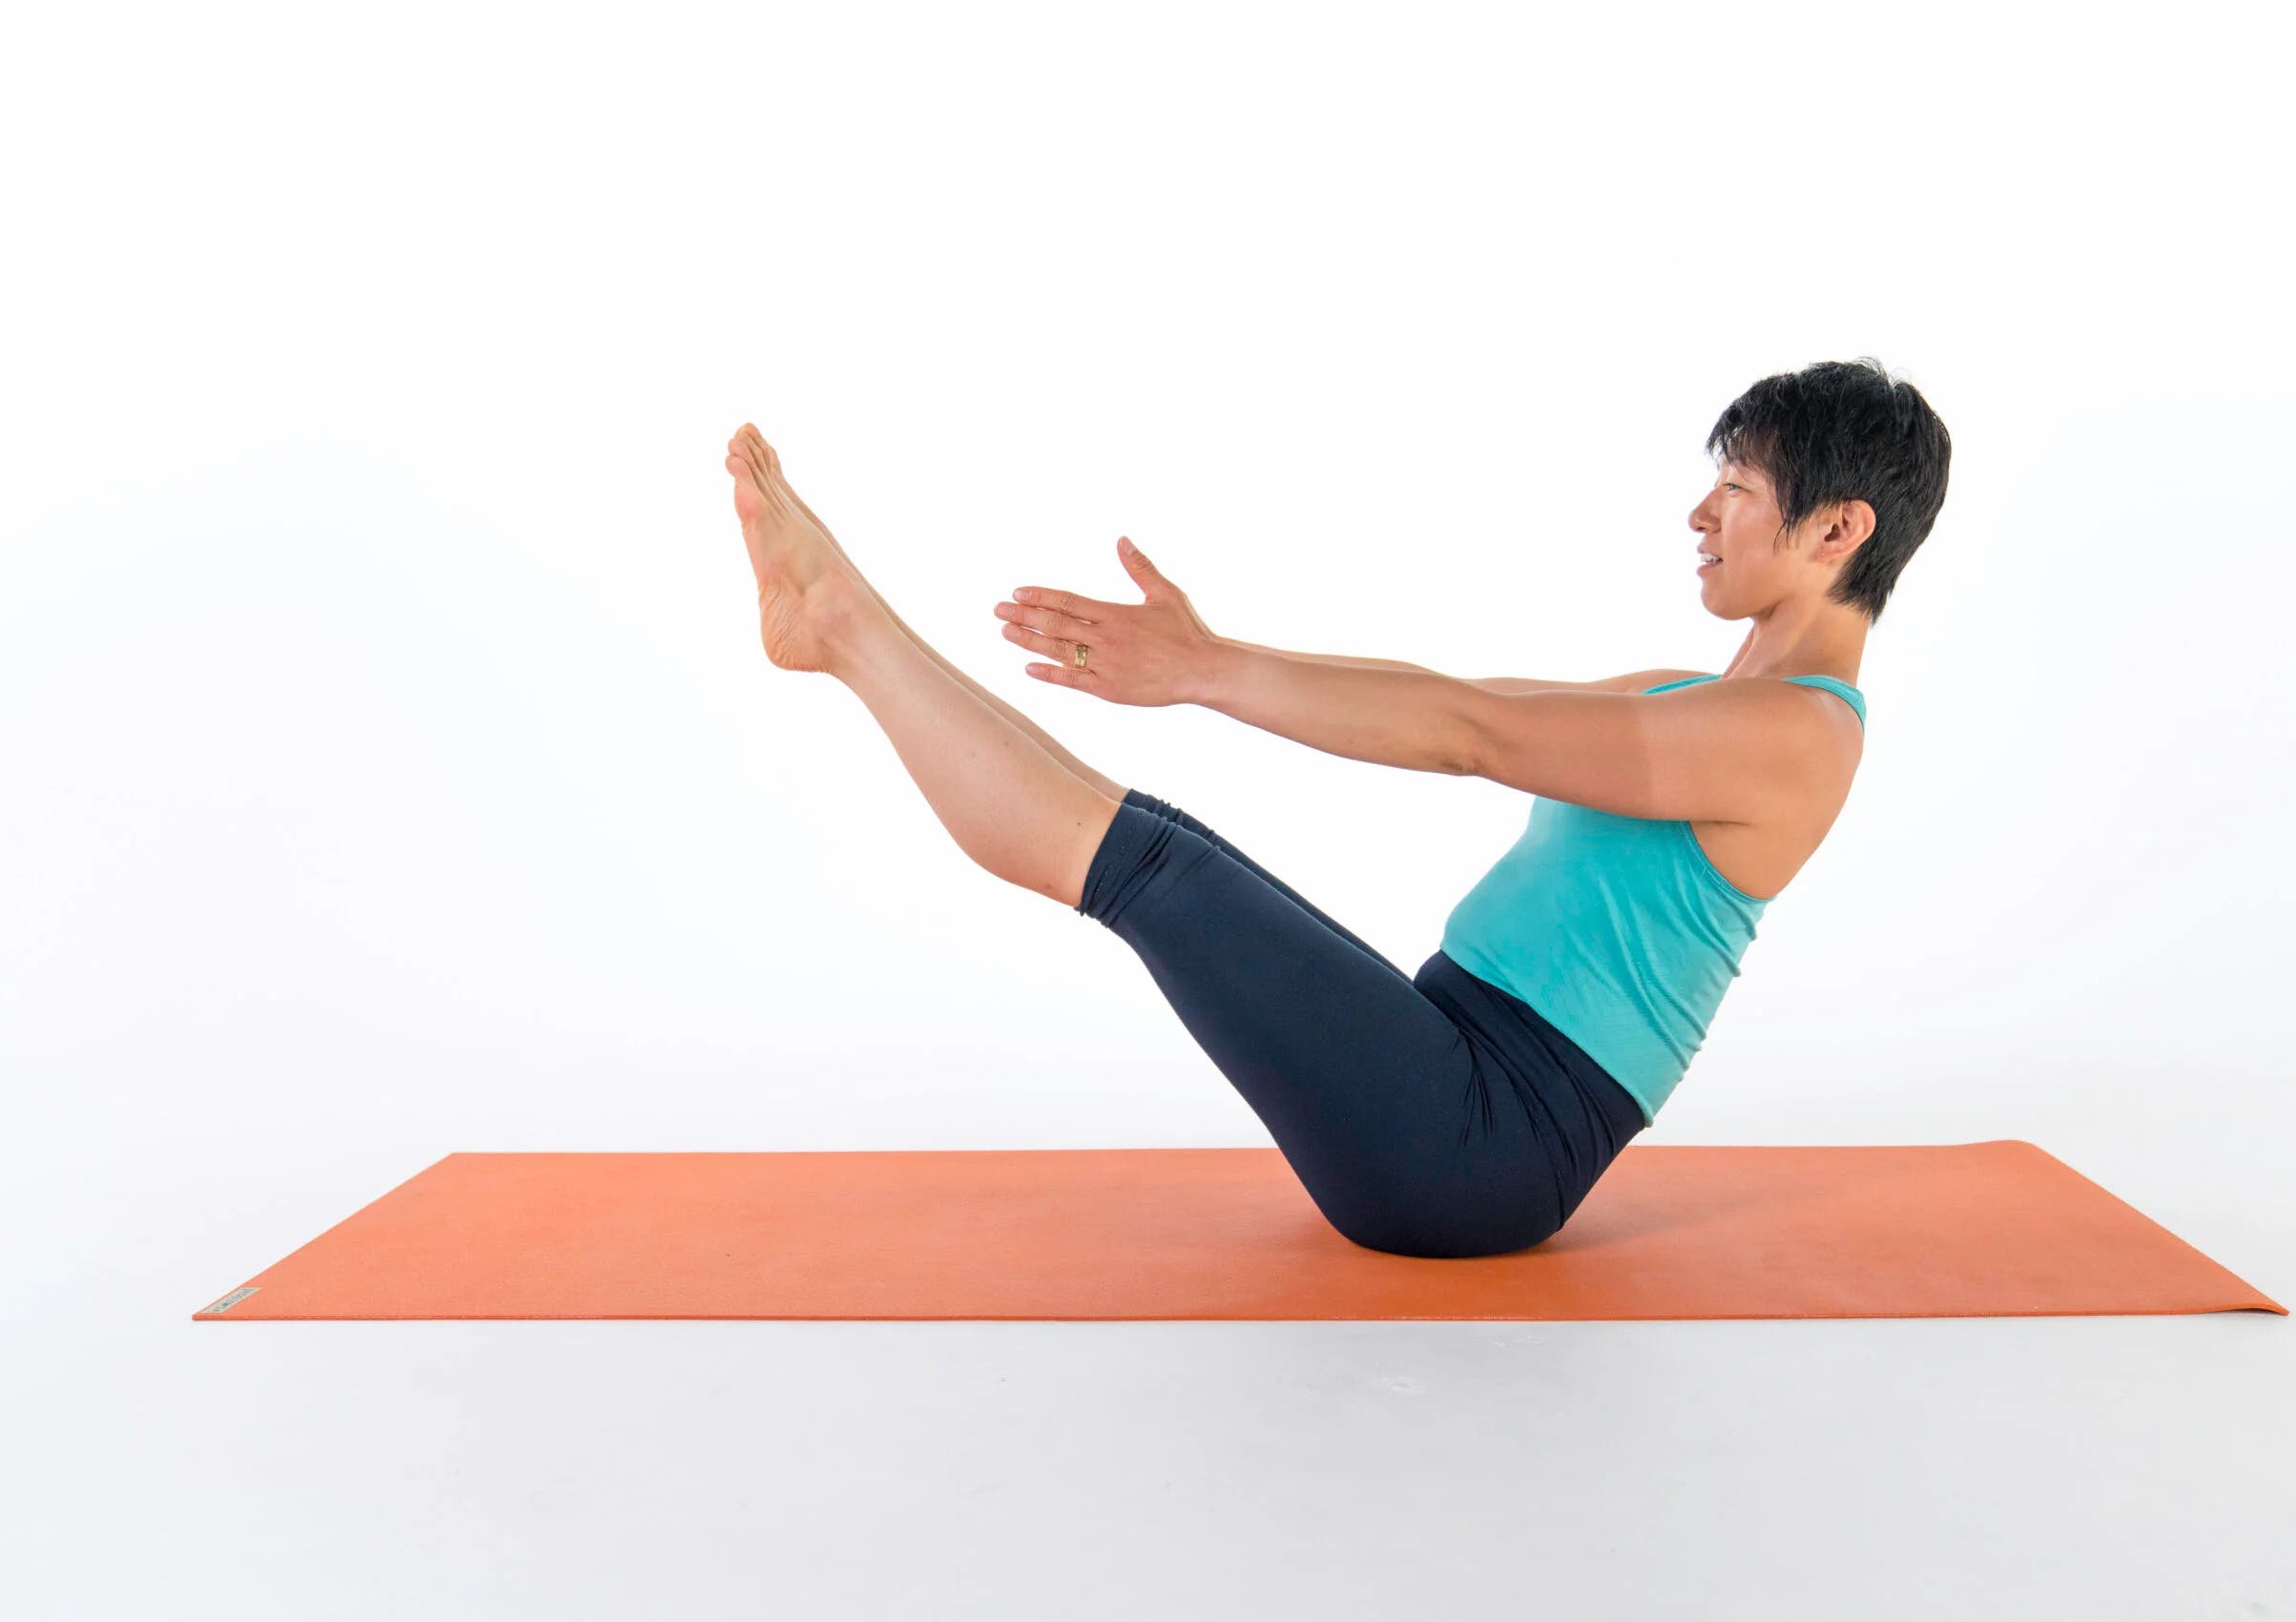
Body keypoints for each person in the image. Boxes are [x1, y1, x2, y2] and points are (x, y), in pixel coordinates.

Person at [720, 357, 1952, 1258]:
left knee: (1153, 871)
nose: (1701, 515)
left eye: (1736, 488)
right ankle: (841, 626)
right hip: (1453, 1069)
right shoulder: (1687, 699)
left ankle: (839, 627)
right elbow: (1455, 700)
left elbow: (1473, 737)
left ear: (1840, 528)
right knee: (1171, 853)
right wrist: (1216, 654)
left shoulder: (1797, 738)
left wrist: (1202, 675)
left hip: (1480, 1148)